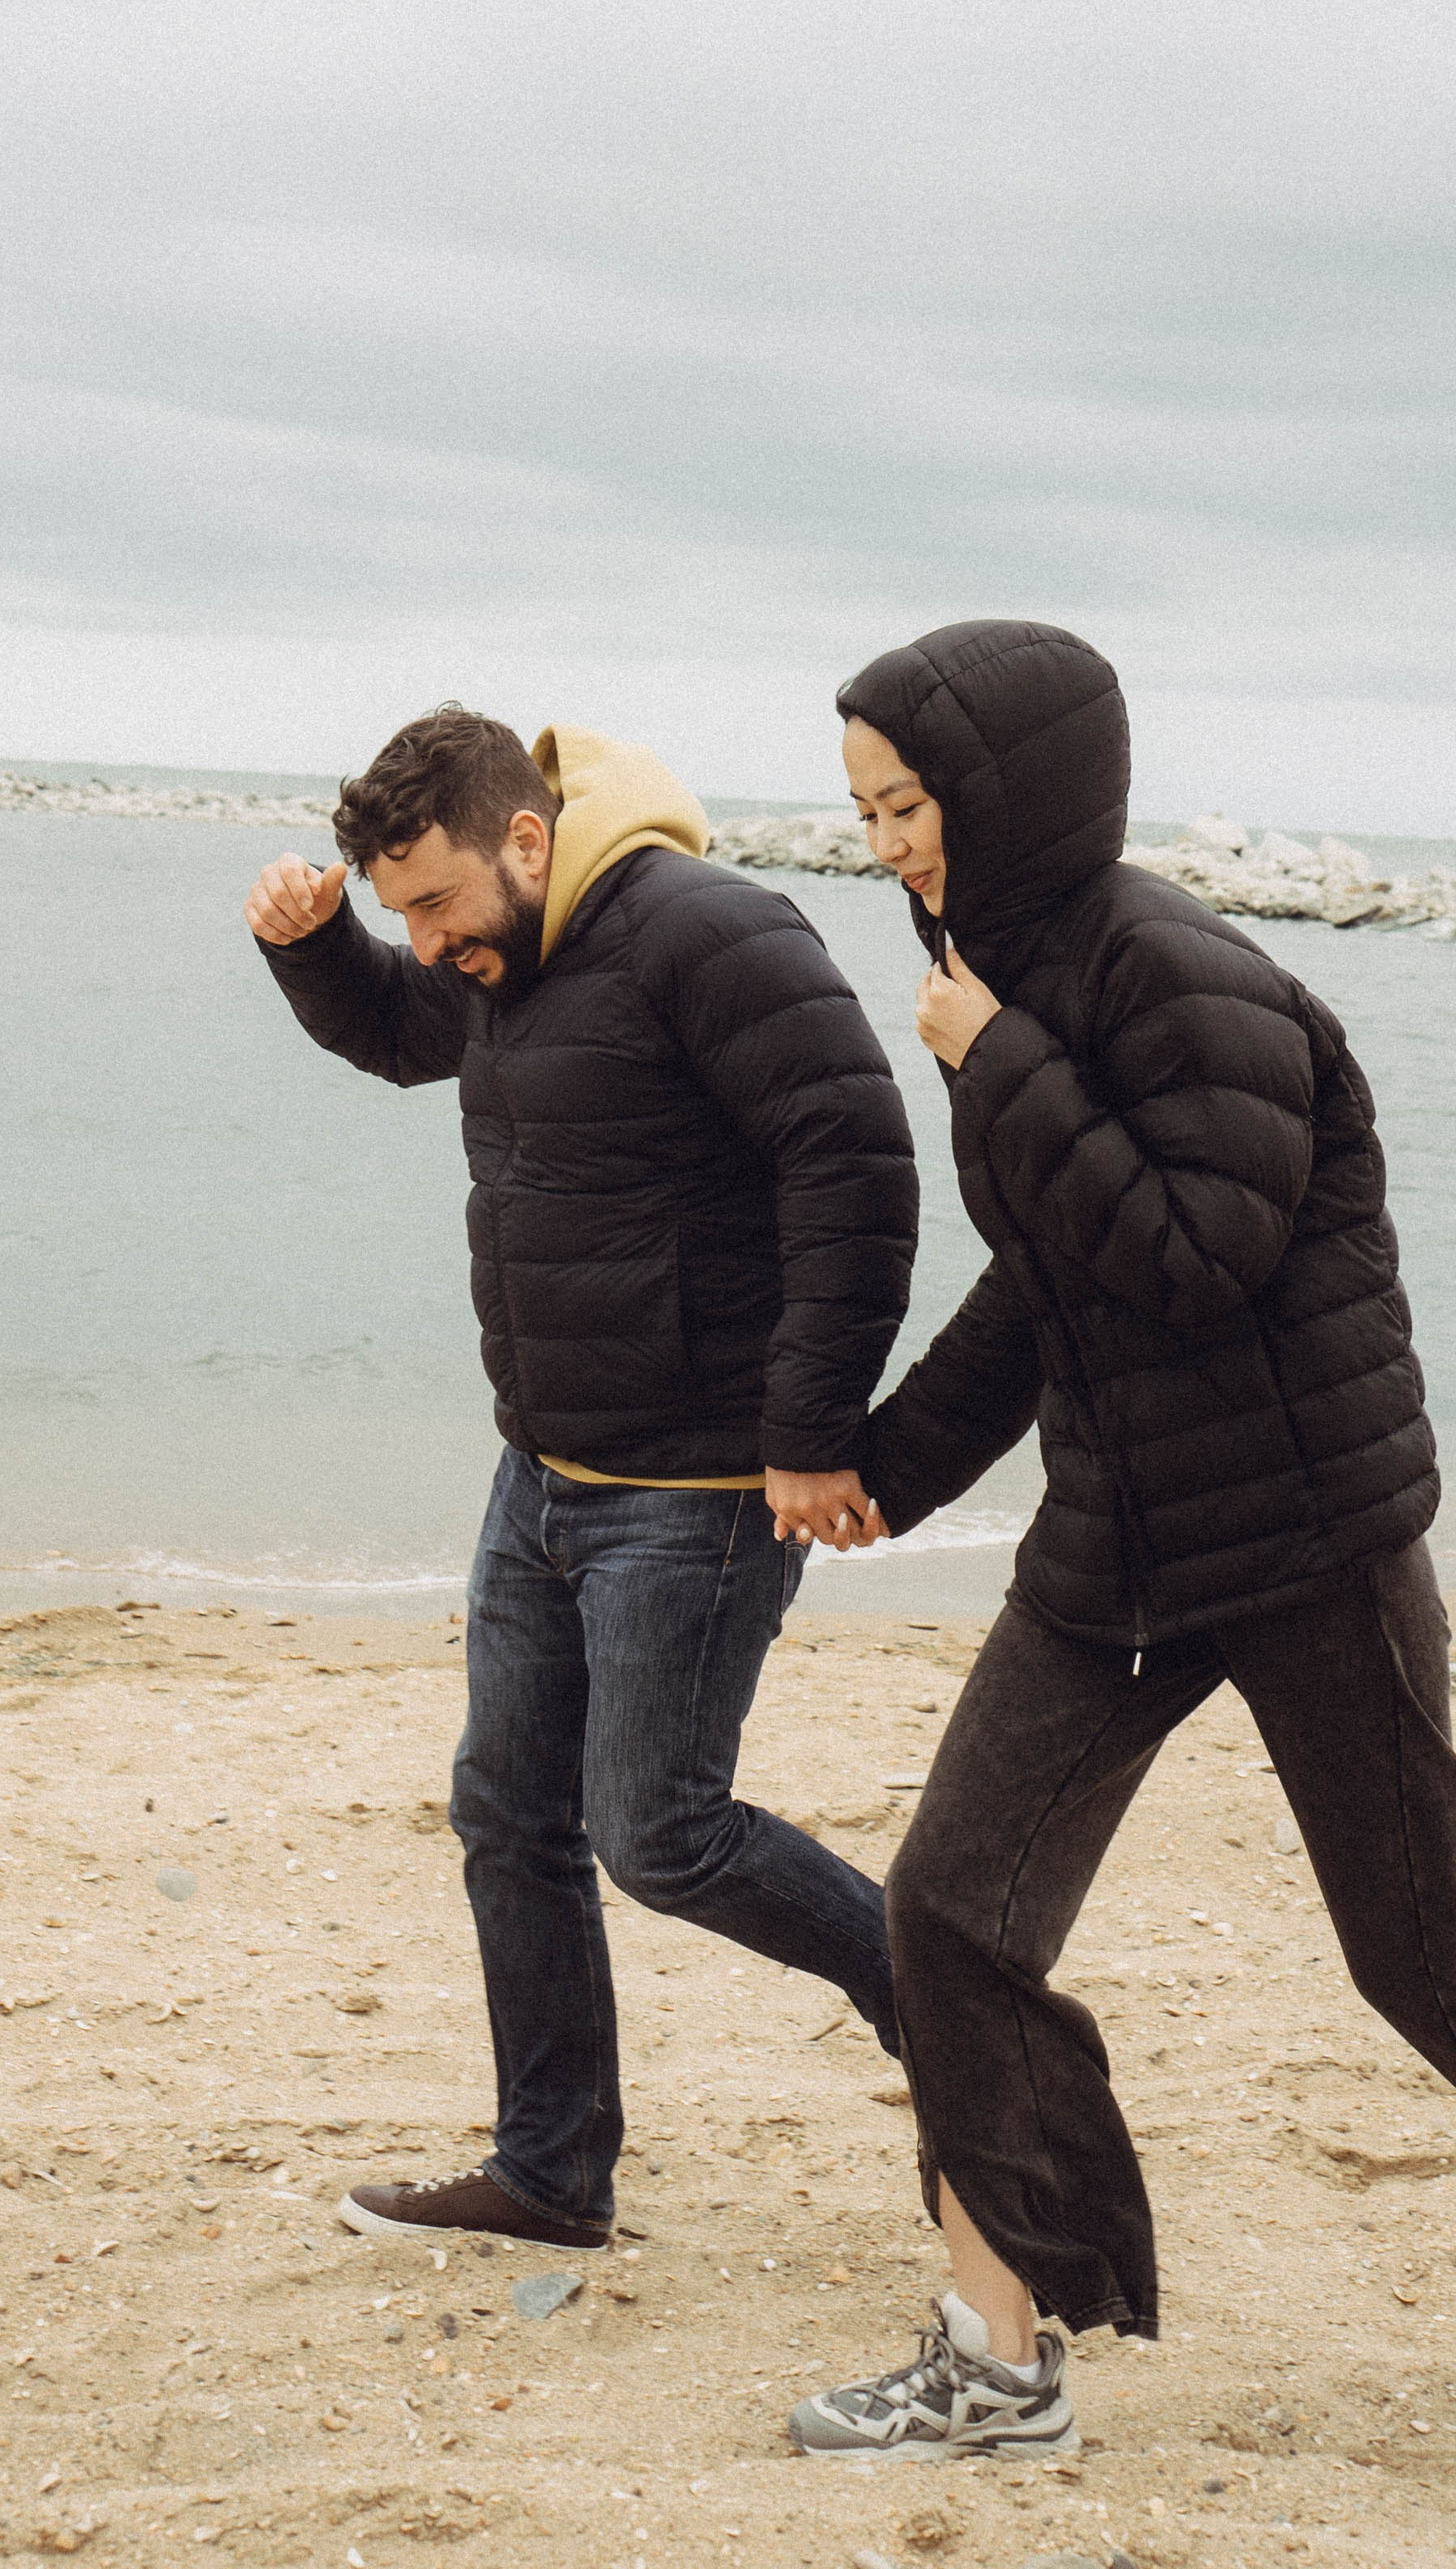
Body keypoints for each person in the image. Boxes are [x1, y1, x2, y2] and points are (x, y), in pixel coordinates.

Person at [788, 616, 1456, 2470]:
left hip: (1305, 1534)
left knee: (1422, 1944)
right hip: (1118, 1539)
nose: (883, 844)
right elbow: (1046, 1280)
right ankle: (997, 2361)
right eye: (861, 810)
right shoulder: (994, 968)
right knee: (950, 1914)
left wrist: (999, 1062)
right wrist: (888, 1468)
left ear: (1004, 789)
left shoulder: (1179, 977)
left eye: (907, 801)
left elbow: (1192, 1260)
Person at [246, 704, 917, 2252]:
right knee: (509, 1811)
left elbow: (858, 1161)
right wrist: (317, 950)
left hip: (694, 1490)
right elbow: (410, 1036)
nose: (420, 941)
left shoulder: (709, 933)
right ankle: (551, 2174)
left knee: (661, 1829)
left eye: (432, 904)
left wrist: (812, 1428)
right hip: (542, 1470)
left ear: (527, 840)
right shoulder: (500, 962)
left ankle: (949, 2003)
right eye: (397, 907)